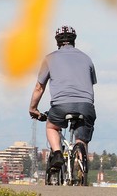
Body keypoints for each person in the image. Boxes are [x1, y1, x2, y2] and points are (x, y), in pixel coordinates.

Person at [29, 25, 97, 169]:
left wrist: (33, 108)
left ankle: (58, 153)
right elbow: (91, 83)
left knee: (52, 126)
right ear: (74, 40)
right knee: (81, 138)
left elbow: (39, 87)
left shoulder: (49, 59)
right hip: (86, 106)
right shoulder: (87, 58)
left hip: (61, 106)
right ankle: (80, 163)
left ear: (57, 41)